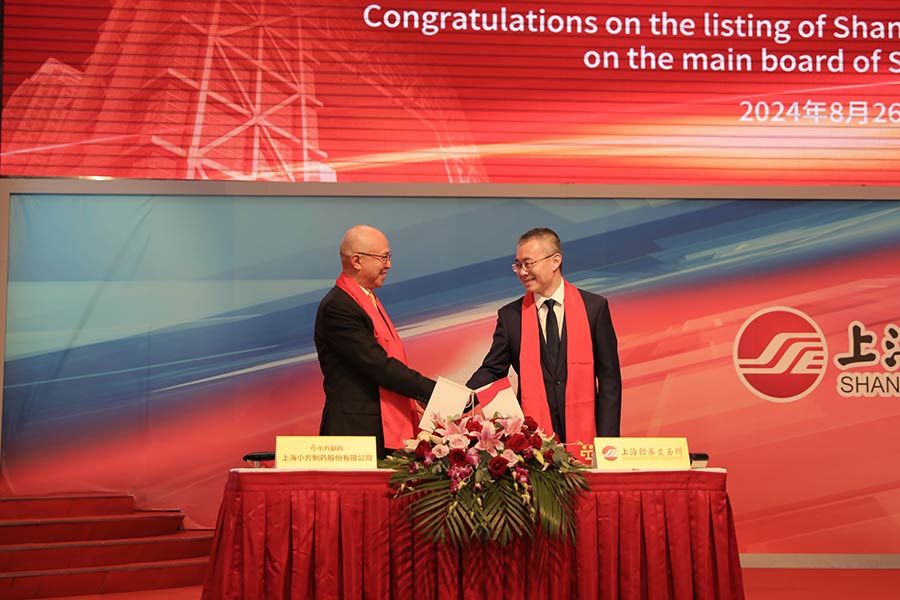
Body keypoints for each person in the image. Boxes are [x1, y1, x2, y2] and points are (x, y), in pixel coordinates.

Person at [467, 227, 622, 443]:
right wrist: (454, 400)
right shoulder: (511, 317)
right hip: (534, 438)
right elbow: (492, 370)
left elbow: (609, 380)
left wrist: (608, 443)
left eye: (528, 264)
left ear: (555, 261)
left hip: (587, 431)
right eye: (518, 265)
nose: (522, 272)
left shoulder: (594, 308)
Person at [315, 224, 436, 458]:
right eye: (383, 257)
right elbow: (379, 365)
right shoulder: (338, 306)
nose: (388, 265)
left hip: (378, 429)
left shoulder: (367, 300)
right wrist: (431, 391)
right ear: (357, 261)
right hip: (356, 434)